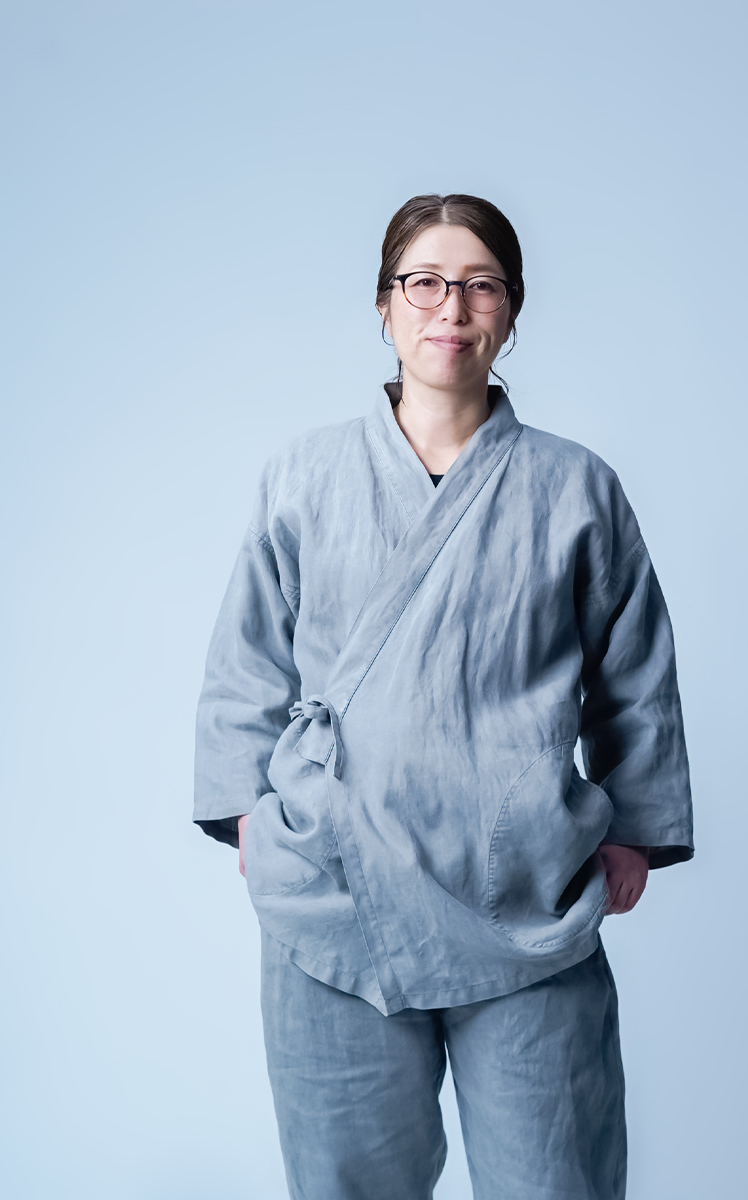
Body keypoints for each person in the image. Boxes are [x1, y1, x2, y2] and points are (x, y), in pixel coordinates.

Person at [193, 193, 693, 1200]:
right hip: (337, 889)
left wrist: (637, 829)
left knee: (557, 1182)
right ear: (384, 305)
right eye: (424, 283)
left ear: (512, 310)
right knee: (347, 1185)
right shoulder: (304, 476)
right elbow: (246, 660)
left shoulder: (577, 487)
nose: (450, 308)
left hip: (525, 891)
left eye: (479, 286)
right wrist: (250, 810)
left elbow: (634, 672)